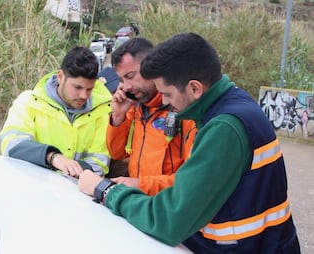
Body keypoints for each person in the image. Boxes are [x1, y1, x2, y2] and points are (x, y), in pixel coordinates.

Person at [78, 33, 300, 253]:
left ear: (194, 88)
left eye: (167, 94)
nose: (164, 101)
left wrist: (107, 191)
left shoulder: (223, 128)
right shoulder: (235, 103)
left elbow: (169, 220)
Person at [0, 46, 112, 177]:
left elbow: (99, 163)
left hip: (76, 190)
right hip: (31, 187)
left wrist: (70, 173)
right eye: (77, 87)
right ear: (60, 76)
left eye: (89, 89)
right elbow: (11, 144)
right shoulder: (28, 102)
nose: (83, 95)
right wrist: (52, 157)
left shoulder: (103, 111)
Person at [105, 37, 196, 195]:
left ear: (151, 67)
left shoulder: (184, 109)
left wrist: (141, 184)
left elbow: (192, 178)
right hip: (138, 200)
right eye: (122, 80)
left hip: (168, 203)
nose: (126, 86)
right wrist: (118, 116)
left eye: (131, 76)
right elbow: (117, 153)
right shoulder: (135, 106)